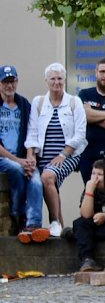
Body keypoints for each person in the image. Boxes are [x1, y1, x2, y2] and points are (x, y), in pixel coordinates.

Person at [25, 62, 88, 237]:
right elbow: (32, 132)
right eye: (52, 78)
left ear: (65, 80)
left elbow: (80, 134)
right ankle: (60, 227)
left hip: (69, 155)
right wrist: (30, 156)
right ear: (46, 81)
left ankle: (53, 222)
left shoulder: (75, 102)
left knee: (47, 177)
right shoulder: (38, 102)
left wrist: (63, 154)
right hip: (43, 156)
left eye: (60, 78)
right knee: (45, 183)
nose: (56, 82)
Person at [0, 65, 47, 243]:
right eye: (5, 82)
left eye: (12, 81)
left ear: (17, 81)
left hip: (22, 158)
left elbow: (32, 133)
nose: (9, 86)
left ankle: (33, 225)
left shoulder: (24, 105)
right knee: (15, 169)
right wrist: (19, 161)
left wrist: (30, 159)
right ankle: (18, 213)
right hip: (5, 158)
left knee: (36, 180)